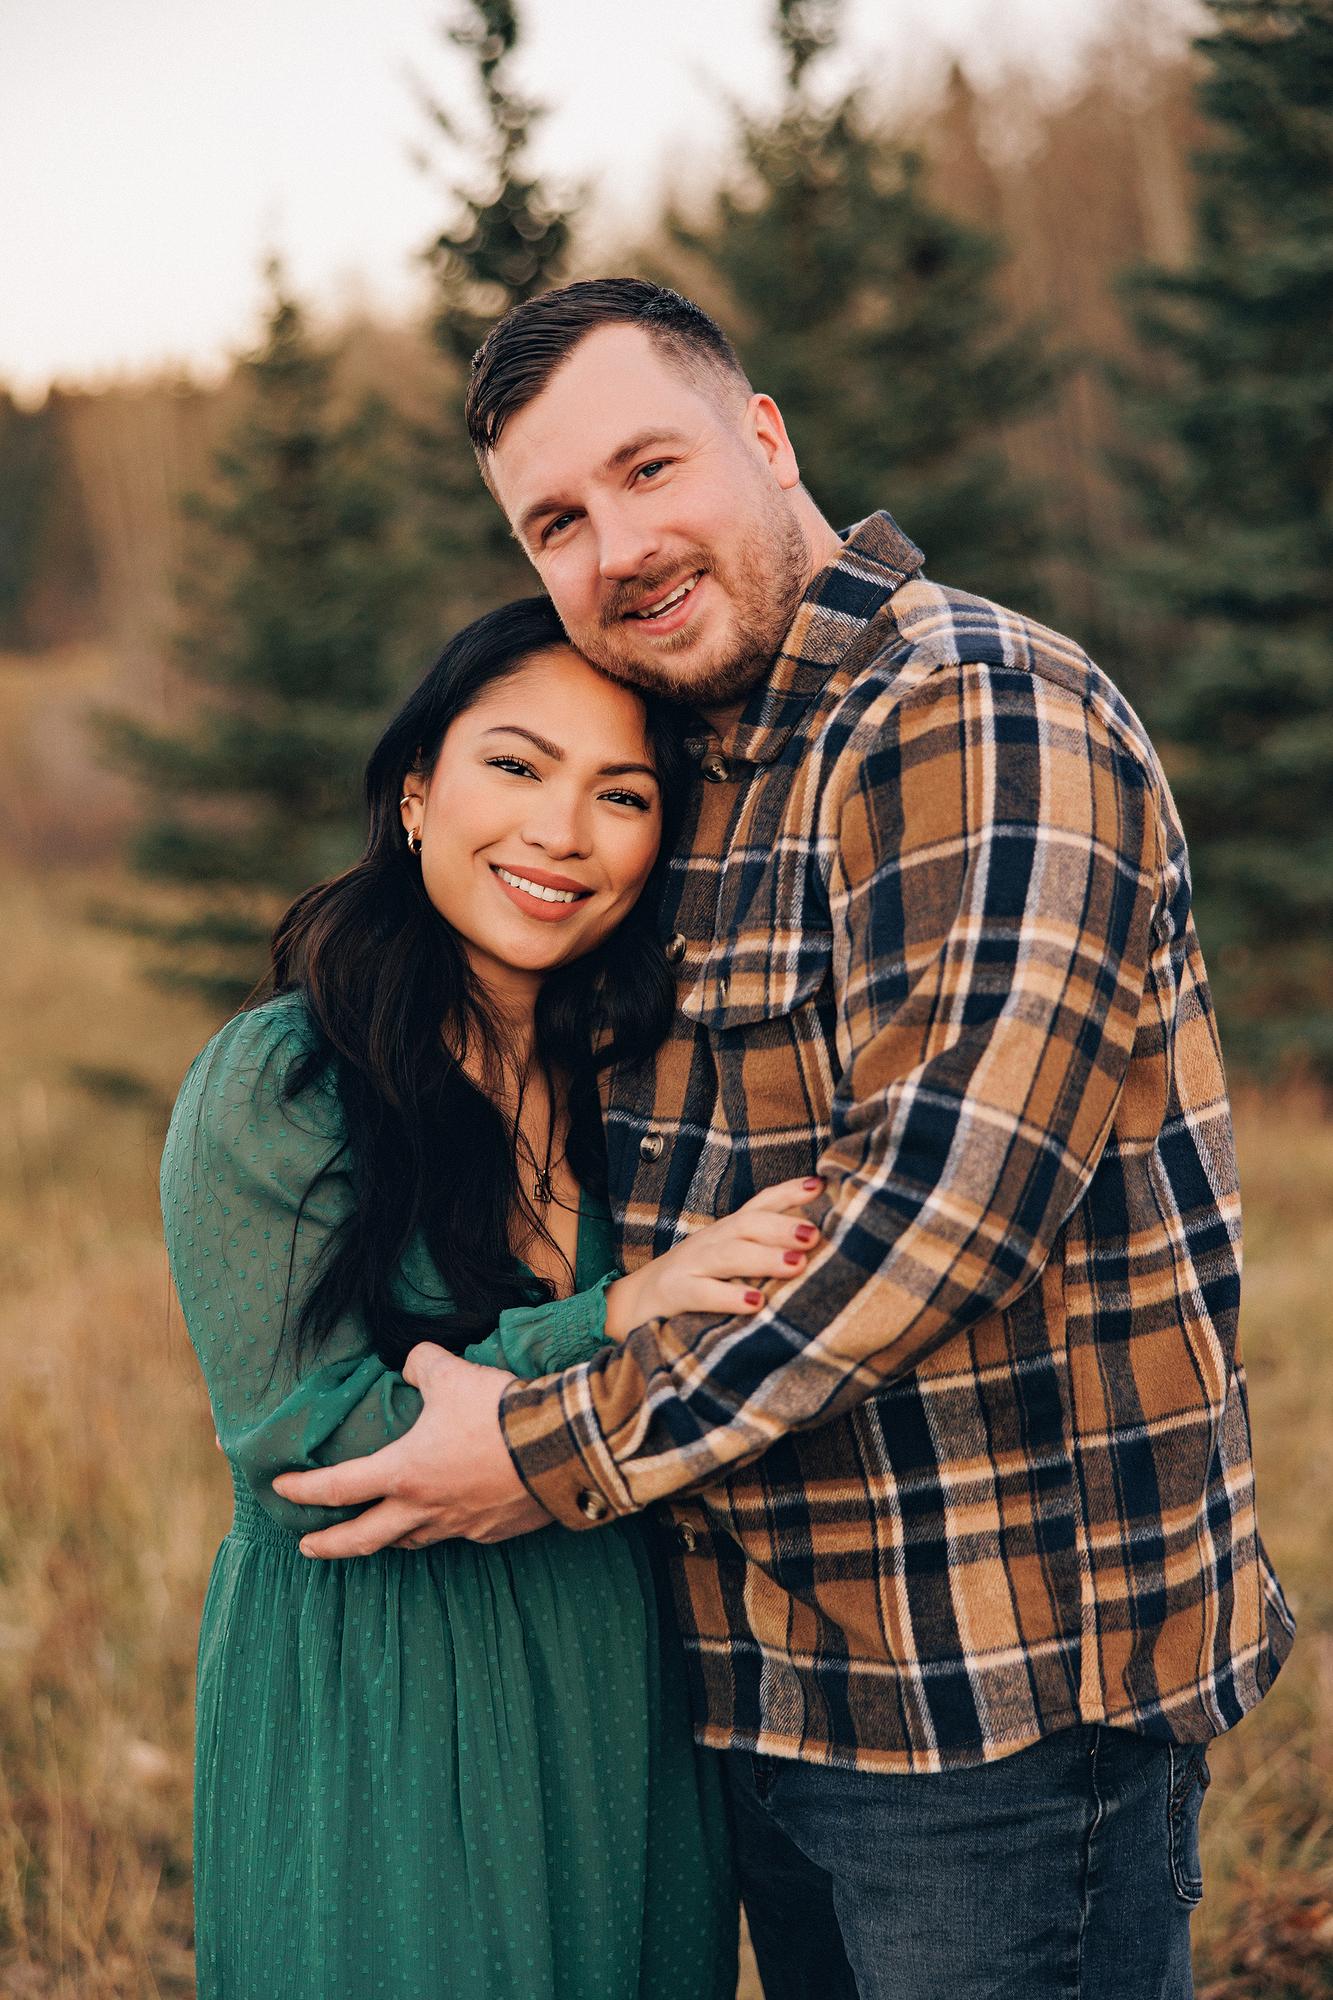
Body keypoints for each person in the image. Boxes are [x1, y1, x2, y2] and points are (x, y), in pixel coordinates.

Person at [275, 282, 1296, 2000]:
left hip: (989, 1707)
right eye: (556, 521)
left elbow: (940, 1221)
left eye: (647, 466)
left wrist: (539, 1449)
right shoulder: (691, 771)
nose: (616, 547)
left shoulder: (969, 713)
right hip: (755, 1689)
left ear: (764, 436)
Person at [163, 595, 828, 1999]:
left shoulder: (647, 1082)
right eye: (515, 767)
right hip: (385, 1689)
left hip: (615, 1677)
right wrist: (612, 1316)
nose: (561, 833)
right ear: (416, 791)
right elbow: (319, 1446)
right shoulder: (280, 1082)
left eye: (621, 793)